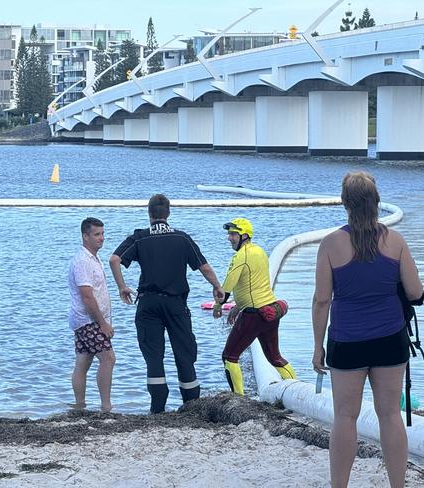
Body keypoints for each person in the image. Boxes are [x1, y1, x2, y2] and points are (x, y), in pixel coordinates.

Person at [312, 172, 423, 488]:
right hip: (390, 339)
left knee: (345, 417)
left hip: (347, 341)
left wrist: (318, 346)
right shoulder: (395, 241)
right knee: (390, 415)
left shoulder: (331, 244)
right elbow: (416, 293)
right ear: (376, 203)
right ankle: (397, 486)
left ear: (345, 204)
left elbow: (322, 300)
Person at [109, 194, 223, 413]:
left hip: (148, 304)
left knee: (153, 355)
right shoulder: (182, 238)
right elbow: (204, 267)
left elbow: (114, 259)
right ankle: (191, 404)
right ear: (168, 213)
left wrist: (122, 287)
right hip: (176, 304)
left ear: (149, 213)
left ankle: (158, 408)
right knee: (184, 352)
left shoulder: (140, 237)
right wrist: (217, 287)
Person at [213, 218, 296, 395]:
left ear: (244, 235)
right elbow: (255, 285)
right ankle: (298, 391)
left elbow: (226, 287)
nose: (229, 238)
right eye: (229, 234)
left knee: (229, 357)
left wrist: (218, 305)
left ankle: (239, 399)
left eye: (233, 234)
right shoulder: (259, 251)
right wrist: (237, 306)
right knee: (275, 357)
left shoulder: (241, 256)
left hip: (253, 315)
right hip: (270, 312)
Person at [68, 217, 116, 412]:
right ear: (85, 236)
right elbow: (87, 296)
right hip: (88, 320)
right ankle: (106, 406)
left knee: (83, 361)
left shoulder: (94, 258)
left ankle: (80, 405)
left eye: (103, 234)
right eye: (97, 234)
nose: (101, 238)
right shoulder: (82, 261)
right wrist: (102, 323)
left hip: (85, 319)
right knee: (108, 358)